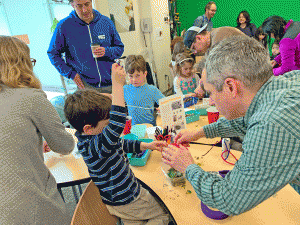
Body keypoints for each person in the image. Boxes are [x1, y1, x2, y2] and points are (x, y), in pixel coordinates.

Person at [161, 35, 300, 216]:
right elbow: (245, 121)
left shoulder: (271, 125)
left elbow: (228, 199)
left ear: (231, 87)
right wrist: (199, 133)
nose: (210, 100)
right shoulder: (288, 80)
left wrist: (187, 166)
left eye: (210, 92)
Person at [63, 63, 170, 225]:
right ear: (89, 128)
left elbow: (119, 144)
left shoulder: (92, 140)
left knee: (134, 222)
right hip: (129, 199)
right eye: (106, 125)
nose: (109, 130)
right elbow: (117, 123)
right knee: (163, 214)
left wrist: (144, 145)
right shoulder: (95, 146)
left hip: (116, 202)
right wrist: (117, 85)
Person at [0, 36, 75, 224]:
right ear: (21, 64)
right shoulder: (31, 97)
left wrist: (31, 143)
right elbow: (64, 146)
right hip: (27, 205)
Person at [47, 0, 124, 93]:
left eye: (87, 4)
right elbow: (53, 54)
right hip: (85, 87)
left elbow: (119, 48)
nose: (84, 10)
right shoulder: (64, 26)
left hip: (111, 84)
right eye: (79, 6)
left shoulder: (106, 22)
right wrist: (71, 73)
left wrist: (107, 51)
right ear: (72, 5)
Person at [123, 55, 165, 126]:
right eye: (131, 76)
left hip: (150, 127)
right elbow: (113, 98)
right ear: (127, 74)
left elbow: (166, 102)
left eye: (137, 75)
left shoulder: (152, 90)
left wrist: (162, 107)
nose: (134, 79)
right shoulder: (125, 89)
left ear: (145, 74)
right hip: (134, 129)